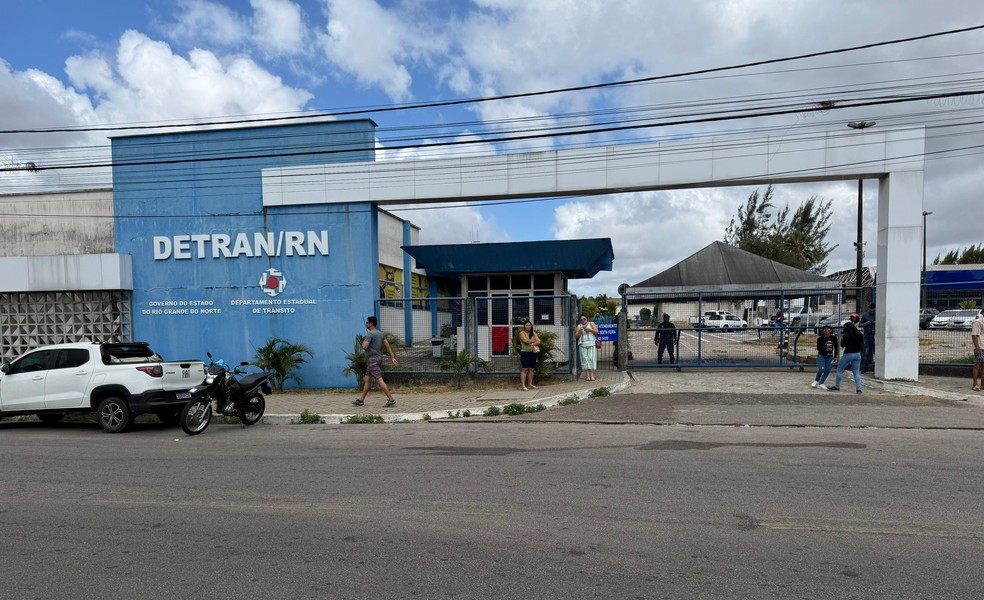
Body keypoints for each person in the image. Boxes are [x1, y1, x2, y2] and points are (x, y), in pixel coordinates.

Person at [353, 316, 398, 407]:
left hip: (373, 360)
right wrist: (392, 357)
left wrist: (363, 341)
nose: (366, 324)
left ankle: (391, 400)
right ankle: (361, 401)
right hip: (376, 359)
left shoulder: (370, 334)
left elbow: (364, 346)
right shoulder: (380, 334)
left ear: (371, 323)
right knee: (367, 380)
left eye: (367, 322)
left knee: (379, 380)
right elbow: (387, 346)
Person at [830, 313, 864, 393]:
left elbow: (842, 345)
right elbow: (862, 345)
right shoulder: (859, 334)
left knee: (839, 370)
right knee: (856, 372)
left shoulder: (847, 334)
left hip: (848, 353)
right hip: (857, 354)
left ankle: (837, 387)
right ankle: (858, 389)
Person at [811, 324, 838, 390]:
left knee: (828, 370)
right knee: (822, 369)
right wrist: (825, 349)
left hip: (830, 356)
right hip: (821, 355)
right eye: (825, 329)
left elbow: (836, 347)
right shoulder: (820, 338)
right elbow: (818, 347)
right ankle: (816, 380)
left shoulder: (834, 338)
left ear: (830, 330)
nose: (826, 330)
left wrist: (835, 356)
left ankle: (821, 383)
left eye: (828, 329)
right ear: (823, 331)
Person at [574, 313, 599, 381]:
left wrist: (590, 330)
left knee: (591, 359)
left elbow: (597, 332)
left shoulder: (591, 324)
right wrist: (579, 332)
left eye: (584, 319)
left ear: (587, 319)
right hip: (582, 345)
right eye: (581, 319)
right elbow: (576, 336)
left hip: (591, 344)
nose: (583, 320)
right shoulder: (579, 326)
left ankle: (592, 375)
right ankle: (587, 376)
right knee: (585, 359)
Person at [518, 320, 541, 391]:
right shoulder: (522, 333)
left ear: (531, 326)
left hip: (533, 352)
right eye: (526, 325)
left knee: (531, 368)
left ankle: (530, 384)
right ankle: (523, 385)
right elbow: (526, 341)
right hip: (525, 352)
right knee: (525, 369)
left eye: (529, 325)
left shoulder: (533, 333)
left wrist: (533, 343)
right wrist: (534, 341)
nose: (528, 326)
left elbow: (539, 341)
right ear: (524, 326)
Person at [858, 303, 876, 373]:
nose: (872, 312)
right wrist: (867, 323)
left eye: (873, 311)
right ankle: (864, 367)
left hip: (876, 337)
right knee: (866, 352)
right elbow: (860, 325)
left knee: (876, 353)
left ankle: (876, 368)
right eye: (870, 311)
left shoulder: (878, 314)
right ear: (868, 309)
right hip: (867, 337)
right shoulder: (865, 315)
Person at [972, 308, 984, 392]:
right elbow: (974, 335)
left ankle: (983, 384)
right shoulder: (978, 322)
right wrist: (977, 348)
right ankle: (975, 384)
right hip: (980, 347)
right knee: (977, 365)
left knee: (983, 366)